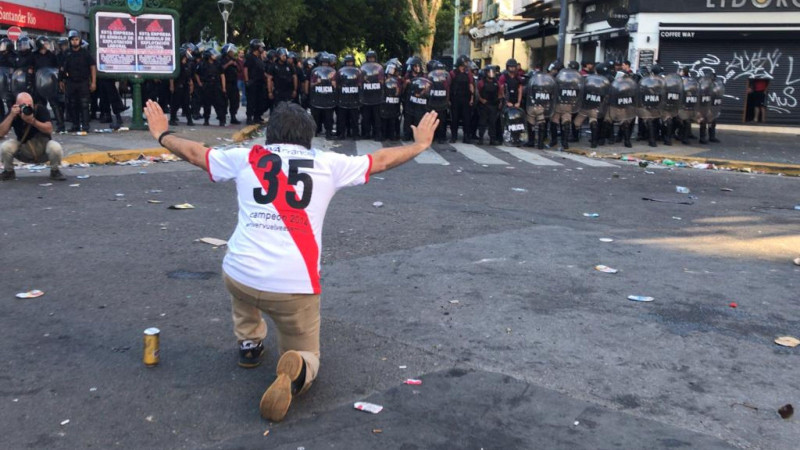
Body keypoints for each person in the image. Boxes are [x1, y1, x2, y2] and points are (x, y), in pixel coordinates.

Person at [142, 99, 438, 422]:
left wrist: (162, 134)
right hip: (293, 288)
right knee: (309, 352)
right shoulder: (327, 164)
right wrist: (420, 144)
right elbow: (379, 160)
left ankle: (249, 345)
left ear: (269, 136)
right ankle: (296, 371)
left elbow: (196, 153)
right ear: (309, 138)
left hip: (239, 274)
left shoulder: (246, 158)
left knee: (243, 284)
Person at [0, 92, 65, 181]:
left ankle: (55, 171)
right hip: (23, 147)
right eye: (23, 105)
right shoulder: (14, 113)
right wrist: (11, 115)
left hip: (43, 147)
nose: (27, 107)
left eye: (29, 105)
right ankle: (8, 171)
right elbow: (1, 133)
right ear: (17, 105)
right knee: (5, 146)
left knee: (55, 147)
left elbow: (49, 129)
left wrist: (33, 121)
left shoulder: (40, 109)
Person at [61, 30, 96, 133]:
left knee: (84, 104)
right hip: (71, 82)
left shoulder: (85, 53)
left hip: (83, 82)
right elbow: (62, 68)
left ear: (80, 40)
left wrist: (93, 82)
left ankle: (85, 126)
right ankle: (75, 125)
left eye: (76, 39)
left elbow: (92, 67)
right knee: (72, 104)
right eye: (73, 40)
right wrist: (61, 80)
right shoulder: (67, 53)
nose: (75, 42)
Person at [195, 48, 227, 127]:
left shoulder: (218, 64)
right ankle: (206, 120)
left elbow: (222, 75)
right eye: (213, 54)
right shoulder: (202, 64)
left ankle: (221, 120)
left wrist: (223, 87)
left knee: (219, 103)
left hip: (216, 85)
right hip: (206, 85)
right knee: (206, 104)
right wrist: (200, 83)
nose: (214, 56)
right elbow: (196, 73)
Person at [448, 55, 473, 144]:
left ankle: (466, 136)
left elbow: (471, 85)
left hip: (466, 99)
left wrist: (472, 98)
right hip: (455, 99)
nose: (467, 64)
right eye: (465, 62)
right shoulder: (452, 73)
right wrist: (448, 99)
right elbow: (449, 86)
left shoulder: (468, 73)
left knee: (467, 118)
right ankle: (453, 136)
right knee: (454, 118)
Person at [244, 40, 267, 124]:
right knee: (251, 101)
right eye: (261, 47)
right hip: (253, 82)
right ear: (256, 47)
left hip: (260, 83)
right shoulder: (250, 57)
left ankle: (257, 117)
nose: (262, 49)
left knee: (260, 101)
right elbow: (246, 69)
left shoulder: (259, 58)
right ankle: (249, 118)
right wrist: (247, 81)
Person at [221, 44, 241, 124]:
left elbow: (239, 70)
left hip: (234, 83)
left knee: (235, 101)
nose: (232, 52)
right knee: (224, 102)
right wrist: (228, 64)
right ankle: (222, 118)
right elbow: (221, 69)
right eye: (231, 51)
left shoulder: (234, 59)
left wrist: (236, 64)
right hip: (226, 83)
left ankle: (233, 116)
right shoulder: (222, 59)